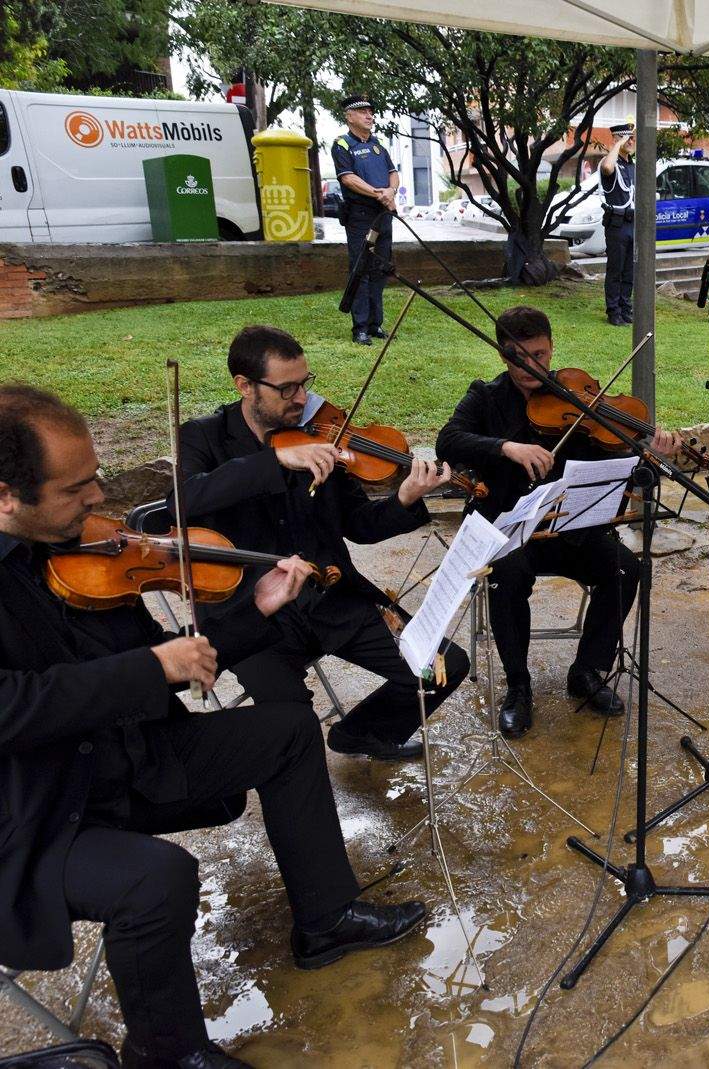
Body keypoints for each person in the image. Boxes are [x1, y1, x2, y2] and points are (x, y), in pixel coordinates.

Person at [0, 385, 426, 1069]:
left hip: (126, 756)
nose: (98, 499)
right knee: (156, 877)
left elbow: (180, 660)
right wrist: (148, 667)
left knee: (287, 731)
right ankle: (169, 1054)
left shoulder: (81, 549)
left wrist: (255, 607)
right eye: (76, 486)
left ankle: (327, 920)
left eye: (96, 477)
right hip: (38, 812)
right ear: (5, 497)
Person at [173, 326, 466, 762]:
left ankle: (361, 733)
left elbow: (359, 525)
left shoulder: (319, 435)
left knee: (443, 666)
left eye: (304, 383)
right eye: (286, 388)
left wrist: (404, 499)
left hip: (332, 599)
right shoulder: (205, 437)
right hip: (251, 615)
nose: (299, 398)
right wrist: (272, 461)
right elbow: (187, 498)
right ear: (244, 385)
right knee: (294, 721)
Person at [436, 306, 678, 735]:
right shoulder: (486, 398)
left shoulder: (577, 399)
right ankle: (518, 685)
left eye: (540, 354)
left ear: (551, 349)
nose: (531, 366)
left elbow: (618, 459)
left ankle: (587, 671)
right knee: (507, 576)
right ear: (501, 354)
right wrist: (506, 447)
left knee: (626, 567)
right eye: (517, 356)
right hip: (510, 530)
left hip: (570, 527)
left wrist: (654, 456)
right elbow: (448, 439)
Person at [331, 94, 399, 346]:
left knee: (380, 268)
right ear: (349, 117)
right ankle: (360, 327)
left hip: (383, 214)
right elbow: (347, 178)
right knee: (361, 269)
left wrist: (390, 192)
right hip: (361, 216)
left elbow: (393, 174)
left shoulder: (378, 145)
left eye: (371, 112)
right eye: (363, 112)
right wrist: (378, 193)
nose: (370, 116)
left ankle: (375, 324)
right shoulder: (343, 144)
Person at [598, 122, 637, 326]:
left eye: (632, 138)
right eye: (626, 138)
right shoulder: (609, 162)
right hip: (616, 224)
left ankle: (625, 308)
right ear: (616, 139)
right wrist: (617, 144)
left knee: (629, 270)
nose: (631, 141)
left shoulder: (632, 166)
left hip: (632, 222)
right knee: (616, 270)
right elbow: (607, 167)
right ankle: (613, 311)